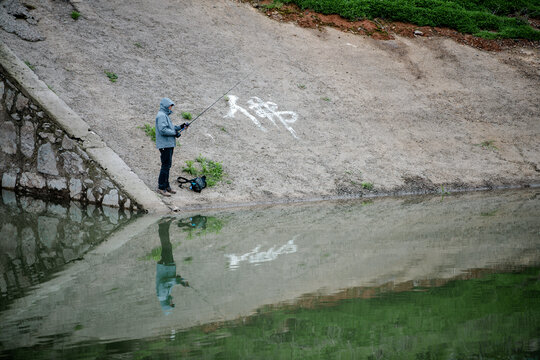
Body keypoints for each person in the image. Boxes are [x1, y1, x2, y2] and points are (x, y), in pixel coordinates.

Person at [155, 97, 189, 196]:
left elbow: (171, 128)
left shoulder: (165, 115)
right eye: (170, 106)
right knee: (165, 166)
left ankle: (166, 186)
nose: (171, 108)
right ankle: (161, 187)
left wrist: (181, 126)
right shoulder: (161, 116)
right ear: (166, 106)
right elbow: (163, 130)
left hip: (168, 144)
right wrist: (174, 133)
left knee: (167, 166)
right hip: (165, 145)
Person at [156, 217, 189, 315]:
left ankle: (163, 225)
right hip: (167, 266)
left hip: (166, 266)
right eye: (172, 303)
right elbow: (169, 282)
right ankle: (164, 225)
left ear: (167, 304)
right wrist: (180, 281)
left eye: (171, 304)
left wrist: (177, 281)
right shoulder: (165, 296)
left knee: (166, 244)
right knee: (167, 244)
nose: (172, 302)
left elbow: (164, 283)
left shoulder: (162, 295)